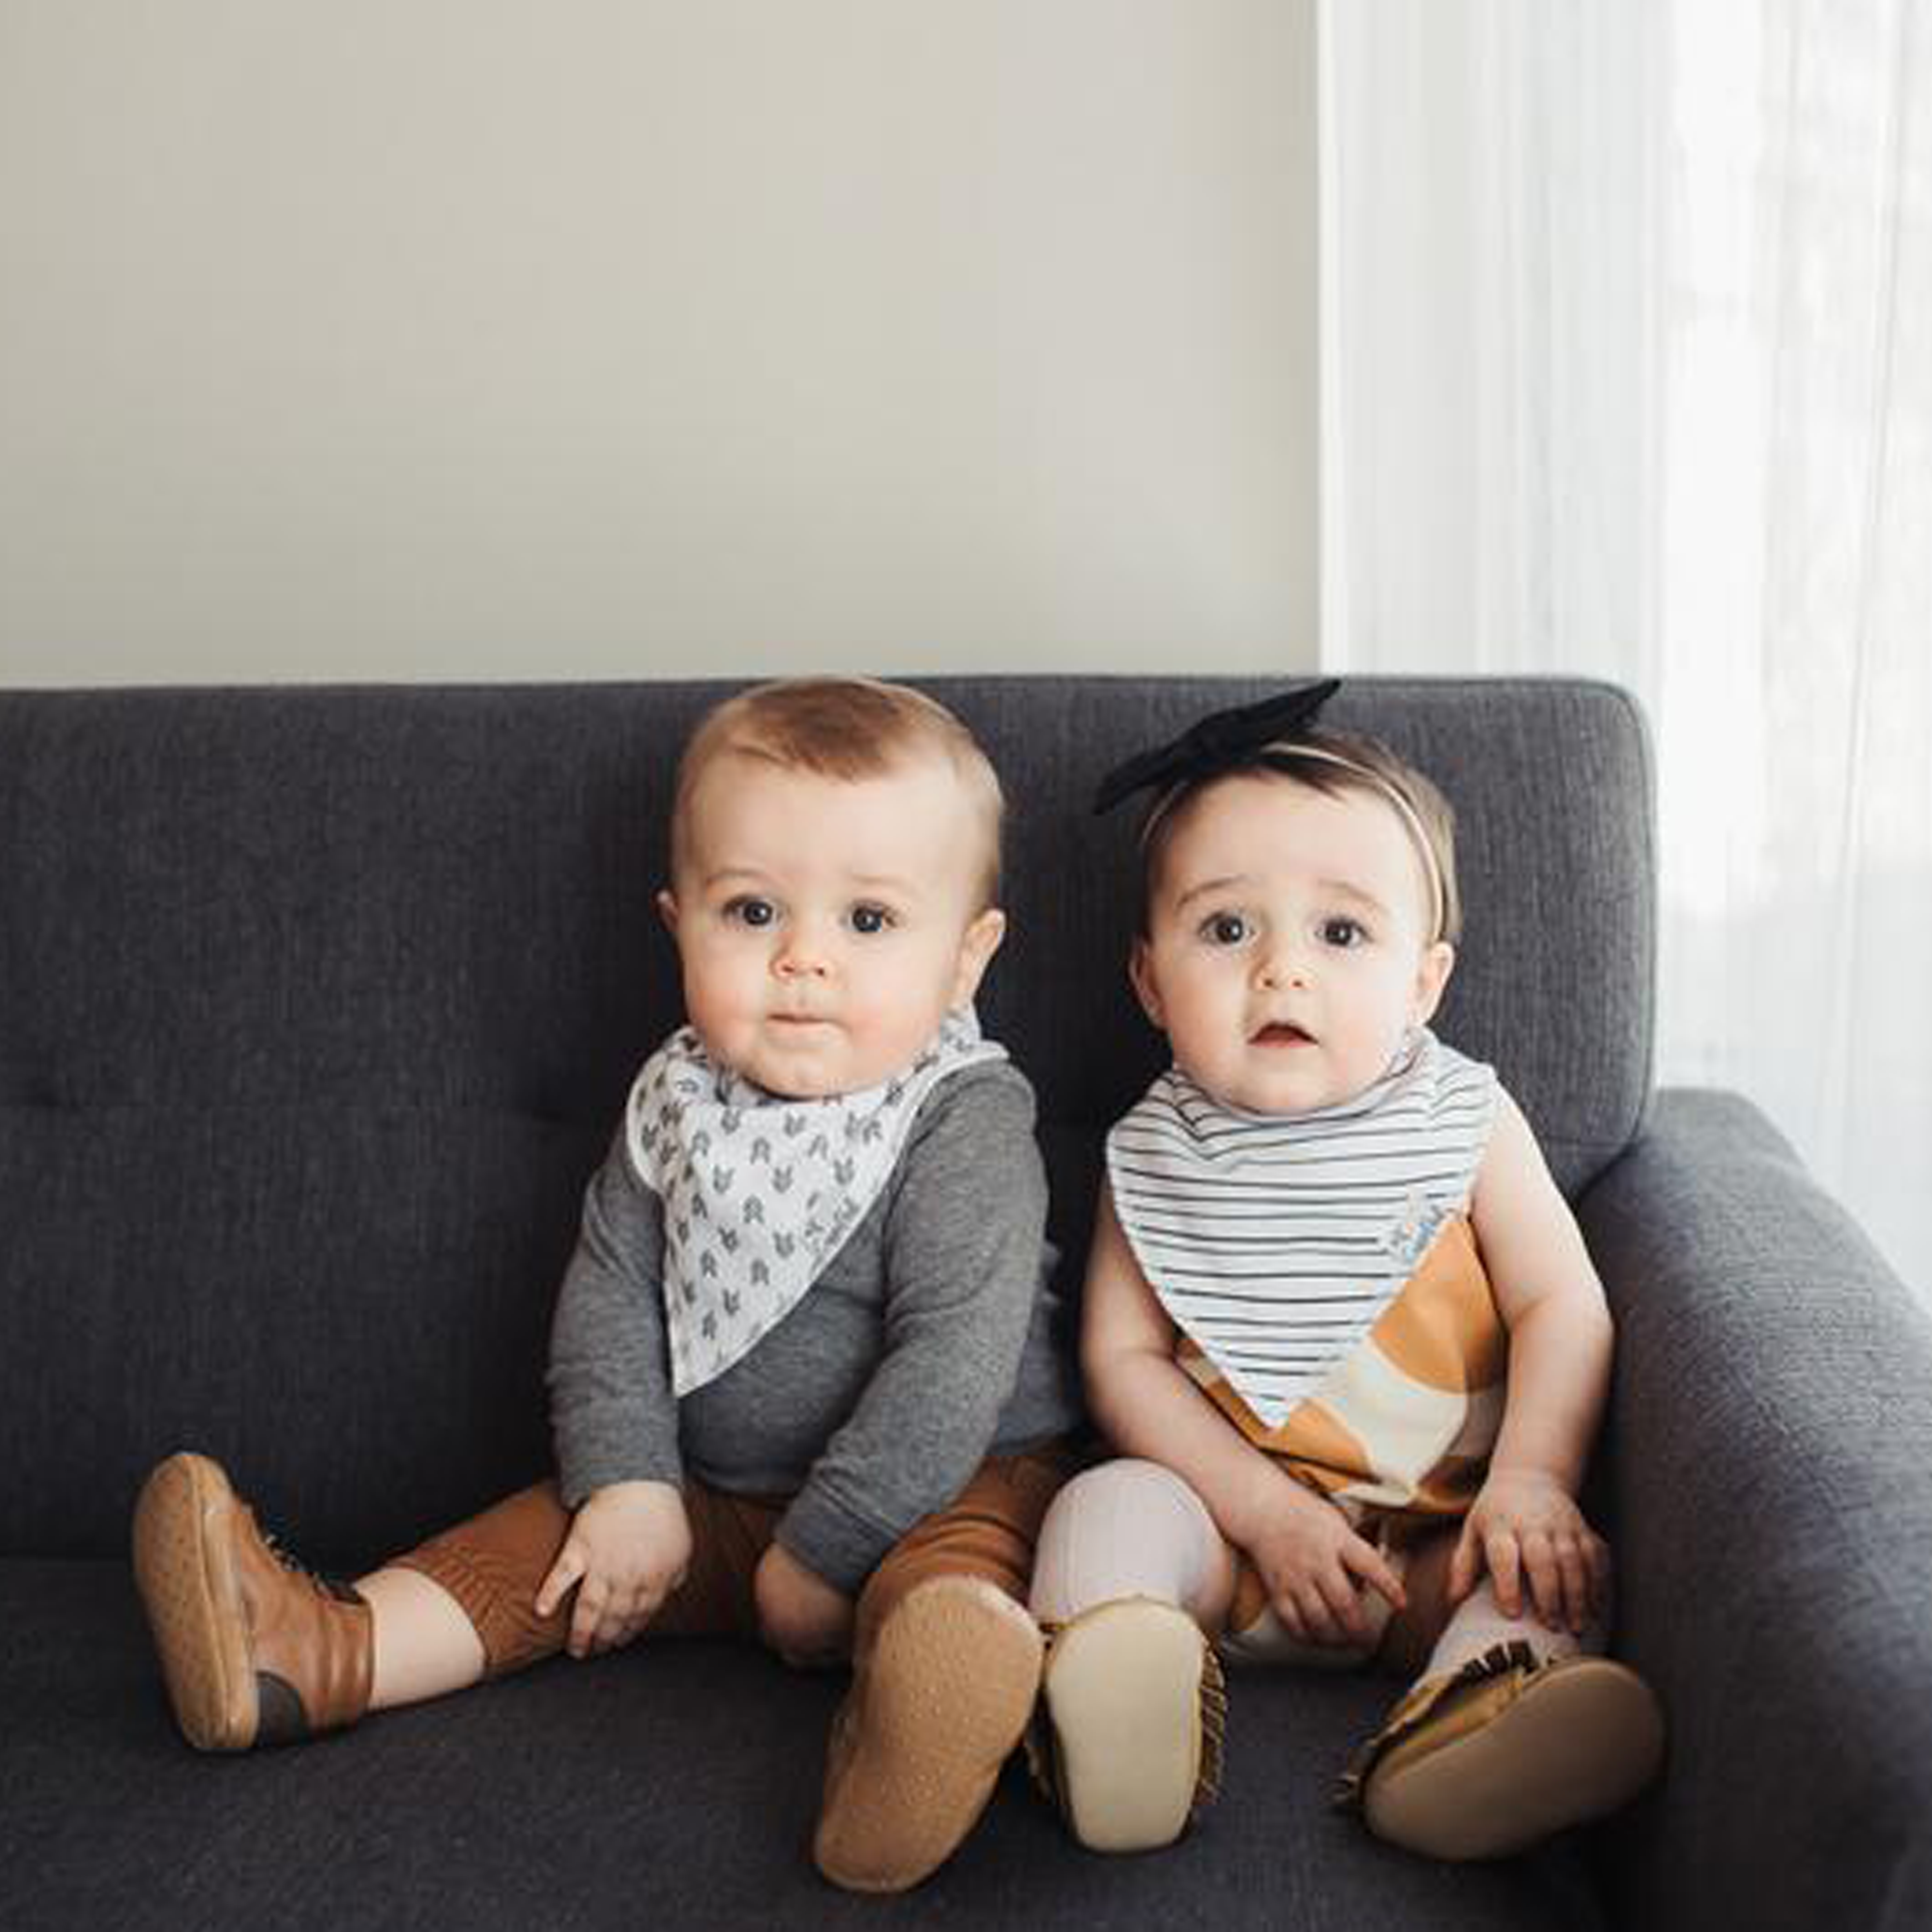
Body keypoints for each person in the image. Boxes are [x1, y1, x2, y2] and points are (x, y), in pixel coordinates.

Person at [131, 676, 1080, 1894]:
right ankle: (317, 1650)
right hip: (709, 1499)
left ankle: (897, 1752)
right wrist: (629, 1482)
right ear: (676, 919)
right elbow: (611, 1299)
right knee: (553, 1543)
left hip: (938, 1487)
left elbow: (952, 1358)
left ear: (966, 957)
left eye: (868, 920)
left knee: (951, 1593)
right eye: (751, 910)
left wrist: (829, 1553)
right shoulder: (676, 1100)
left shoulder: (964, 1116)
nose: (802, 958)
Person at [1026, 681, 1663, 1862]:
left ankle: (1468, 1722)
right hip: (1225, 1550)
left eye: (1340, 932)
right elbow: (1117, 1362)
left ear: (1423, 982)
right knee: (1100, 1506)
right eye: (1226, 929)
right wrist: (1261, 1510)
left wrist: (1532, 1479)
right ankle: (1116, 1694)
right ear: (1149, 981)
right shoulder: (1154, 1150)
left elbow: (1558, 1300)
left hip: (1433, 1548)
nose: (1281, 971)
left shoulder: (1464, 1119)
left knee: (1544, 1582)